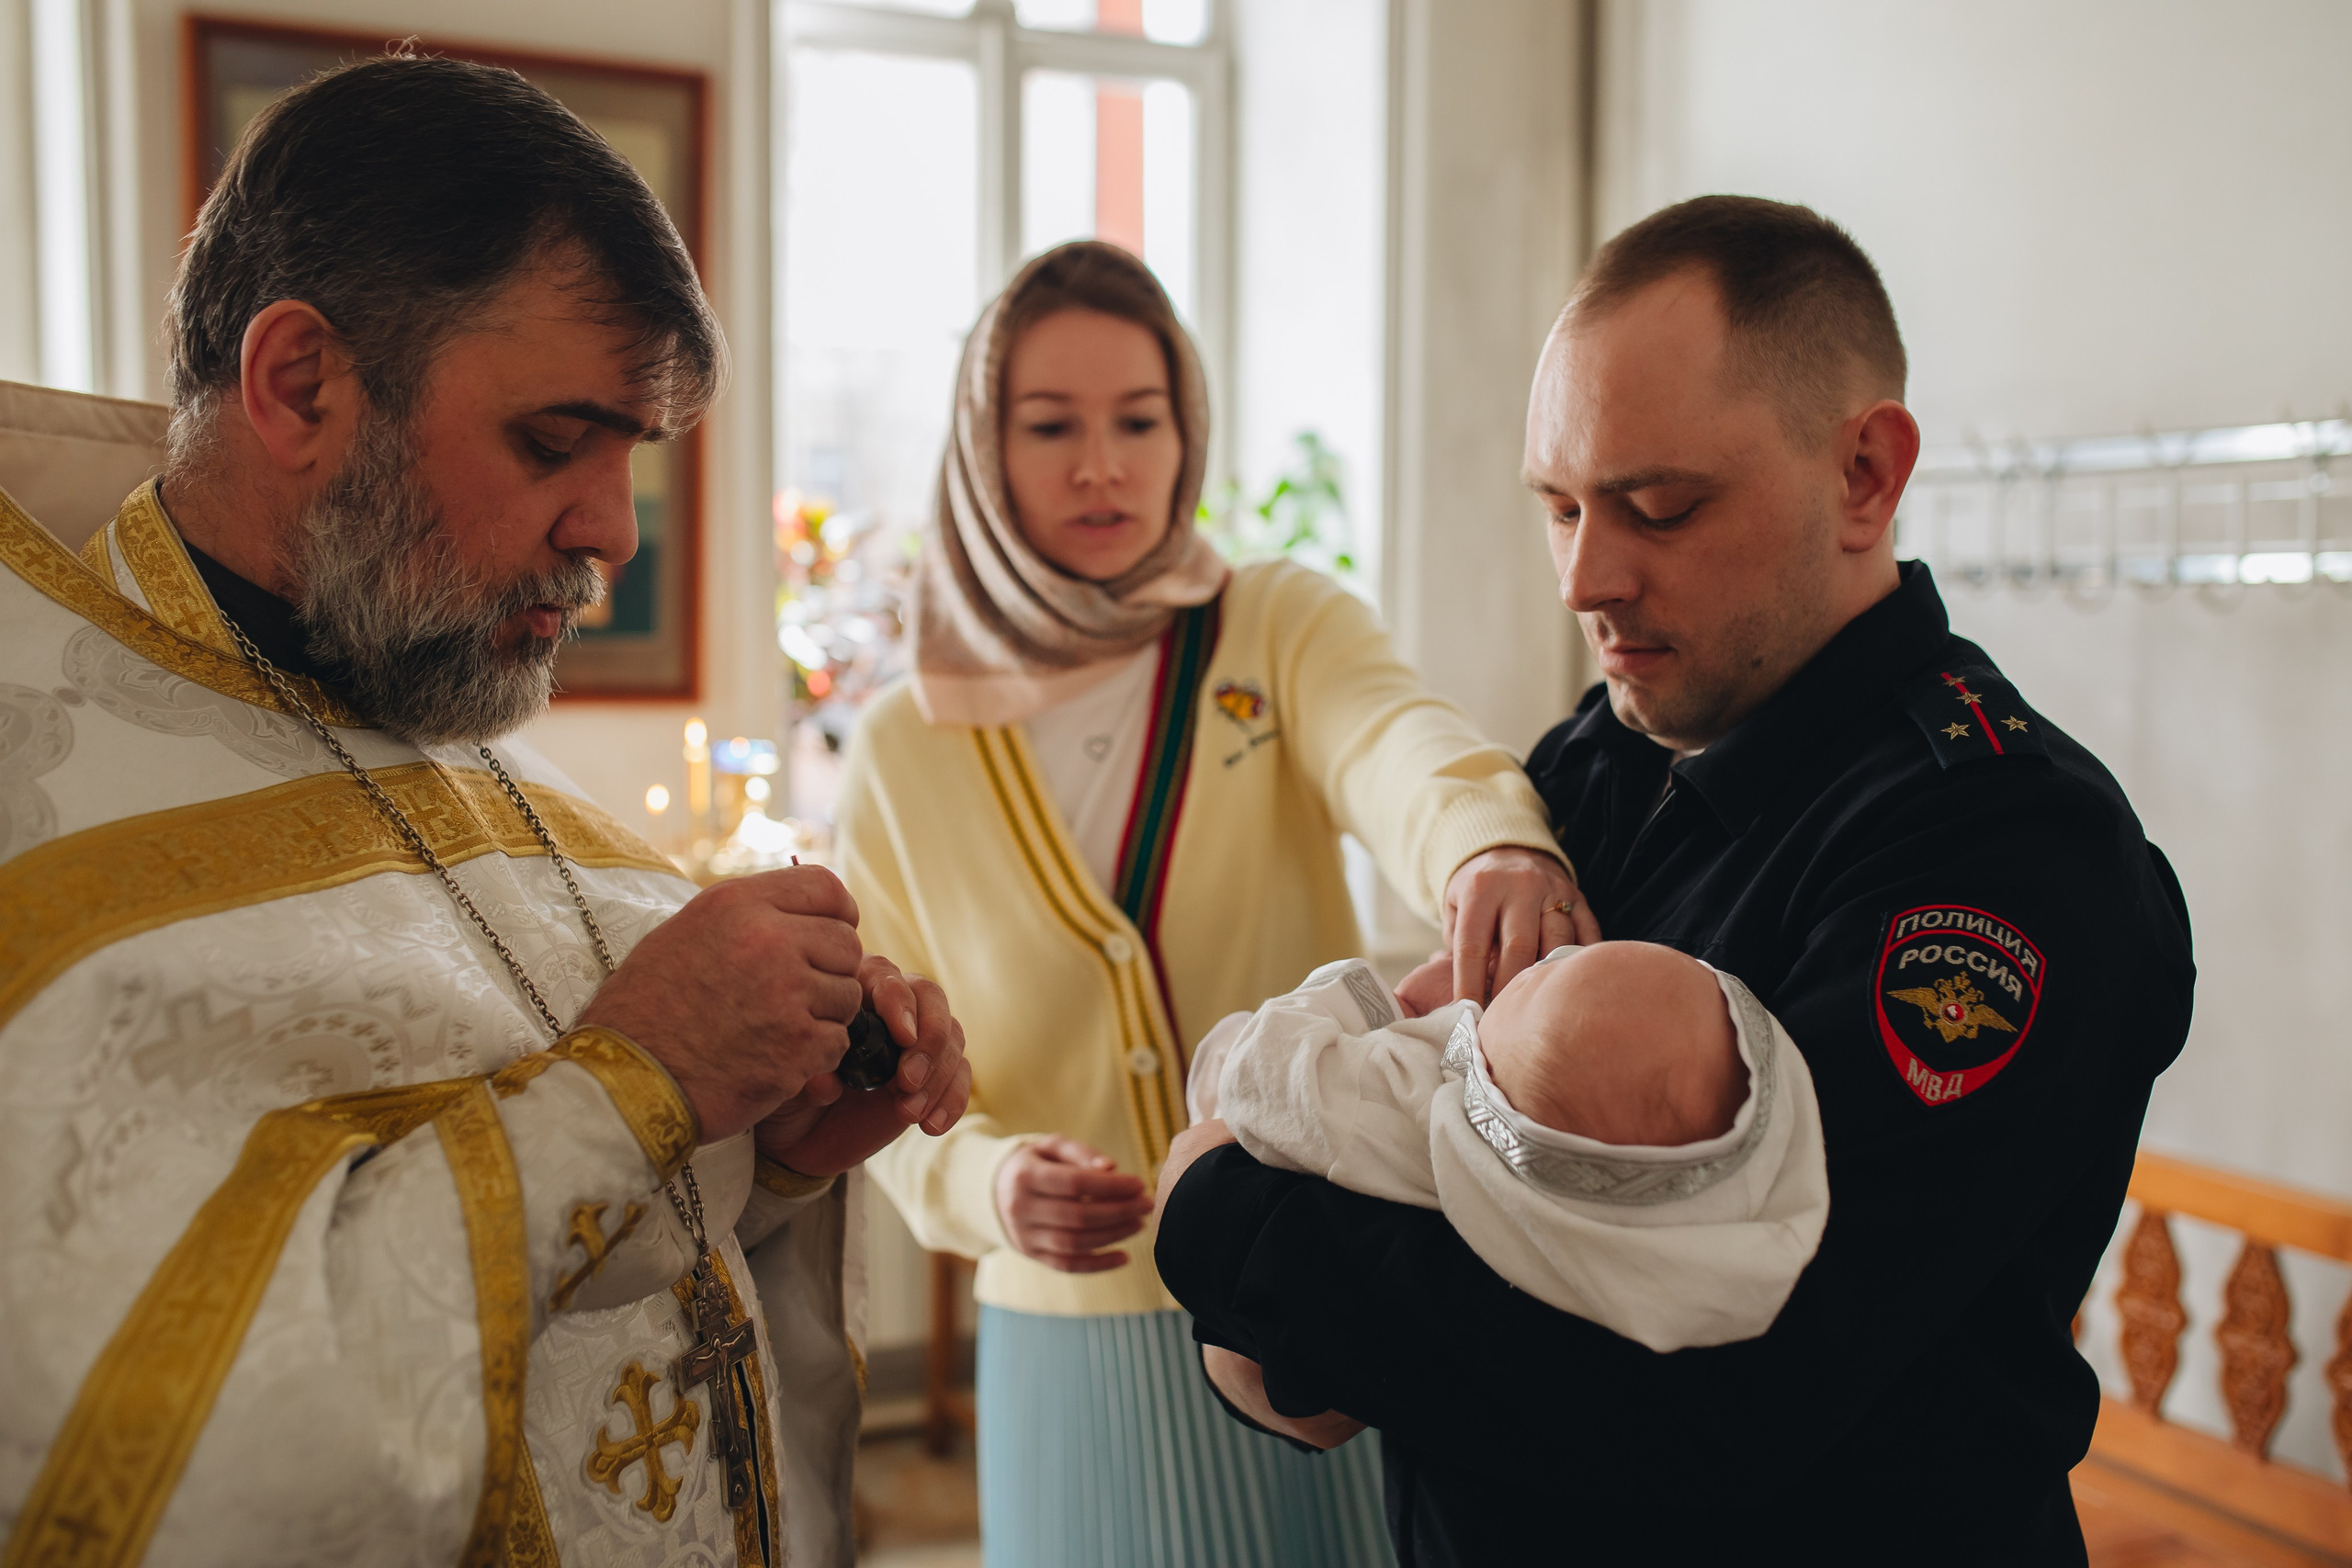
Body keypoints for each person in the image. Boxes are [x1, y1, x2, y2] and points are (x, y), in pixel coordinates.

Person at [0, 56, 970, 1568]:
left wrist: (772, 1139)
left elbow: (618, 1273)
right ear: (302, 384)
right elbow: (169, 1459)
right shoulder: (38, 836)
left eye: (630, 458)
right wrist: (637, 1079)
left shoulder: (455, 734)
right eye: (552, 441)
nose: (613, 532)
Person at [1154, 195, 2196, 1565]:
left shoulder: (2001, 854)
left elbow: (1709, 1386)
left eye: (1660, 505)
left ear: (1866, 474)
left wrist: (1223, 1218)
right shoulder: (1589, 767)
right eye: (1561, 506)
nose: (1589, 574)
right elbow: (1435, 1162)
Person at [833, 240, 1593, 1567]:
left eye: (1141, 418)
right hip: (1065, 1338)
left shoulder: (1274, 627)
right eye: (1049, 424)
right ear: (981, 447)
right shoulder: (906, 742)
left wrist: (1487, 846)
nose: (1102, 466)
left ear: (1189, 429)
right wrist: (986, 1180)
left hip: (1318, 1286)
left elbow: (1400, 743)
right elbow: (874, 1078)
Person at [1189, 941, 1829, 1356]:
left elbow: (1260, 1072)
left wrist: (1381, 1003)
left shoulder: (1411, 1113)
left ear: (1496, 1115)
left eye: (1521, 992)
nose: (1543, 956)